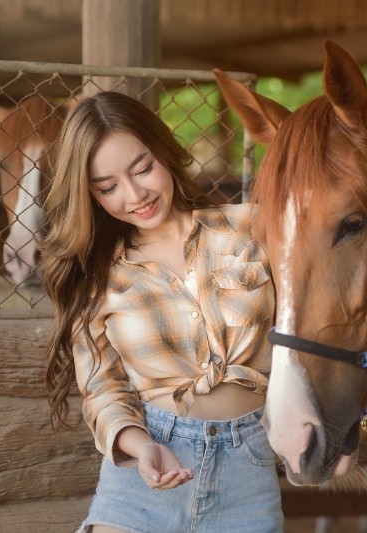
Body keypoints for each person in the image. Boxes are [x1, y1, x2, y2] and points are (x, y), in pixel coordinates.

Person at [42, 91, 283, 533]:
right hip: (147, 468)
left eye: (143, 168)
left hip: (249, 468)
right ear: (89, 194)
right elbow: (102, 389)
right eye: (108, 187)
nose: (135, 195)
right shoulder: (95, 275)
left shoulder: (253, 228)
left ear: (165, 152)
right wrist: (138, 446)